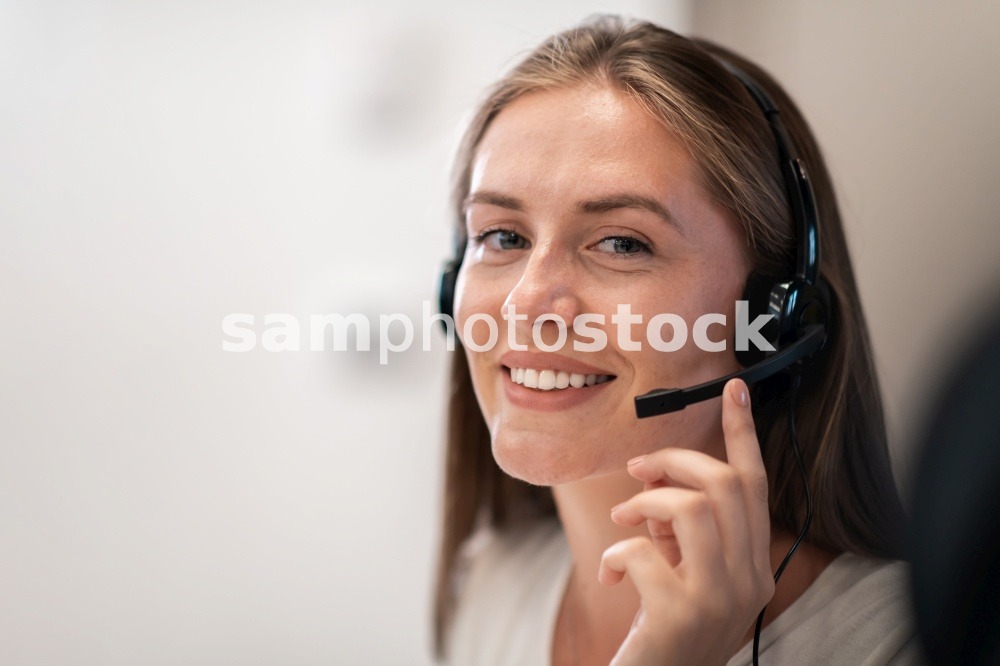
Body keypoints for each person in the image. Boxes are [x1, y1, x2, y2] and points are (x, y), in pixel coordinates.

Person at [432, 14, 920, 665]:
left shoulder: (902, 641)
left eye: (622, 243)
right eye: (502, 236)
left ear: (773, 313)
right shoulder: (494, 586)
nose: (524, 302)